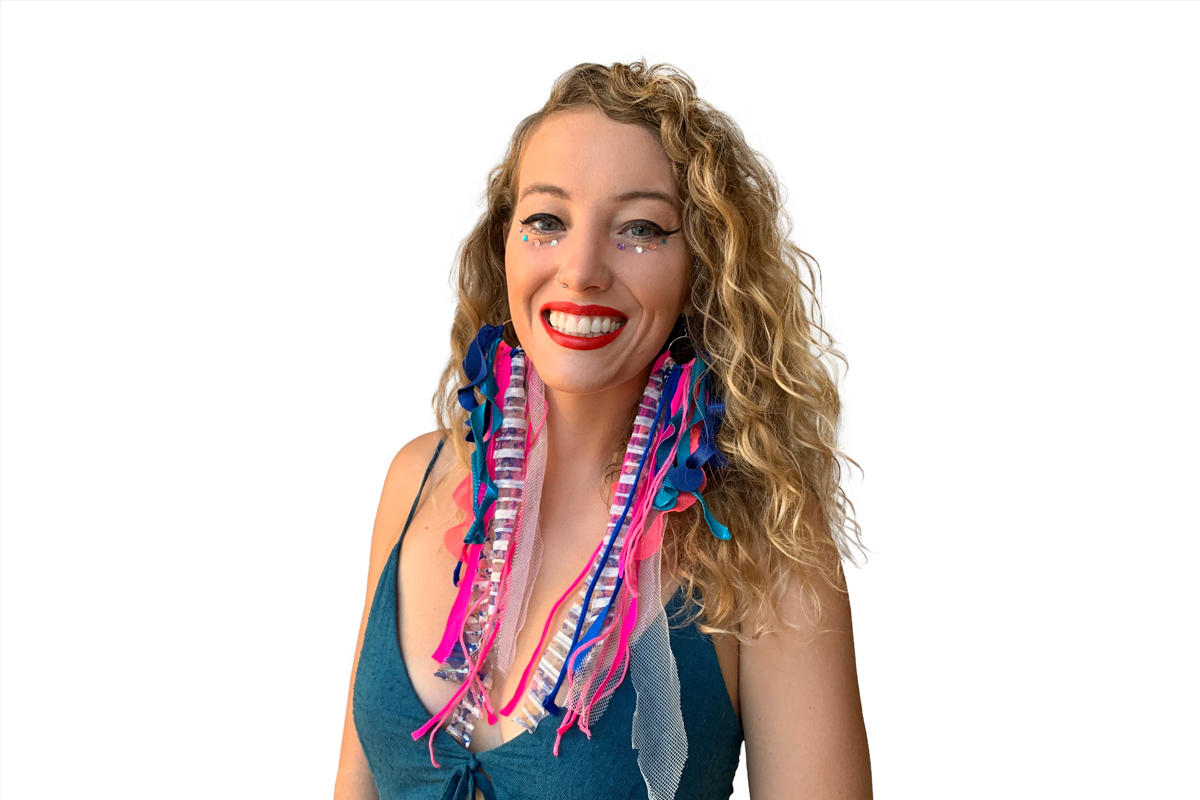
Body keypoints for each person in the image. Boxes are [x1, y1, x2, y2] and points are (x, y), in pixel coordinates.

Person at [334, 59, 871, 800]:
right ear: (505, 243)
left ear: (702, 271)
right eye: (547, 221)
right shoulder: (416, 479)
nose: (581, 268)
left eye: (640, 229)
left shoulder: (769, 549)